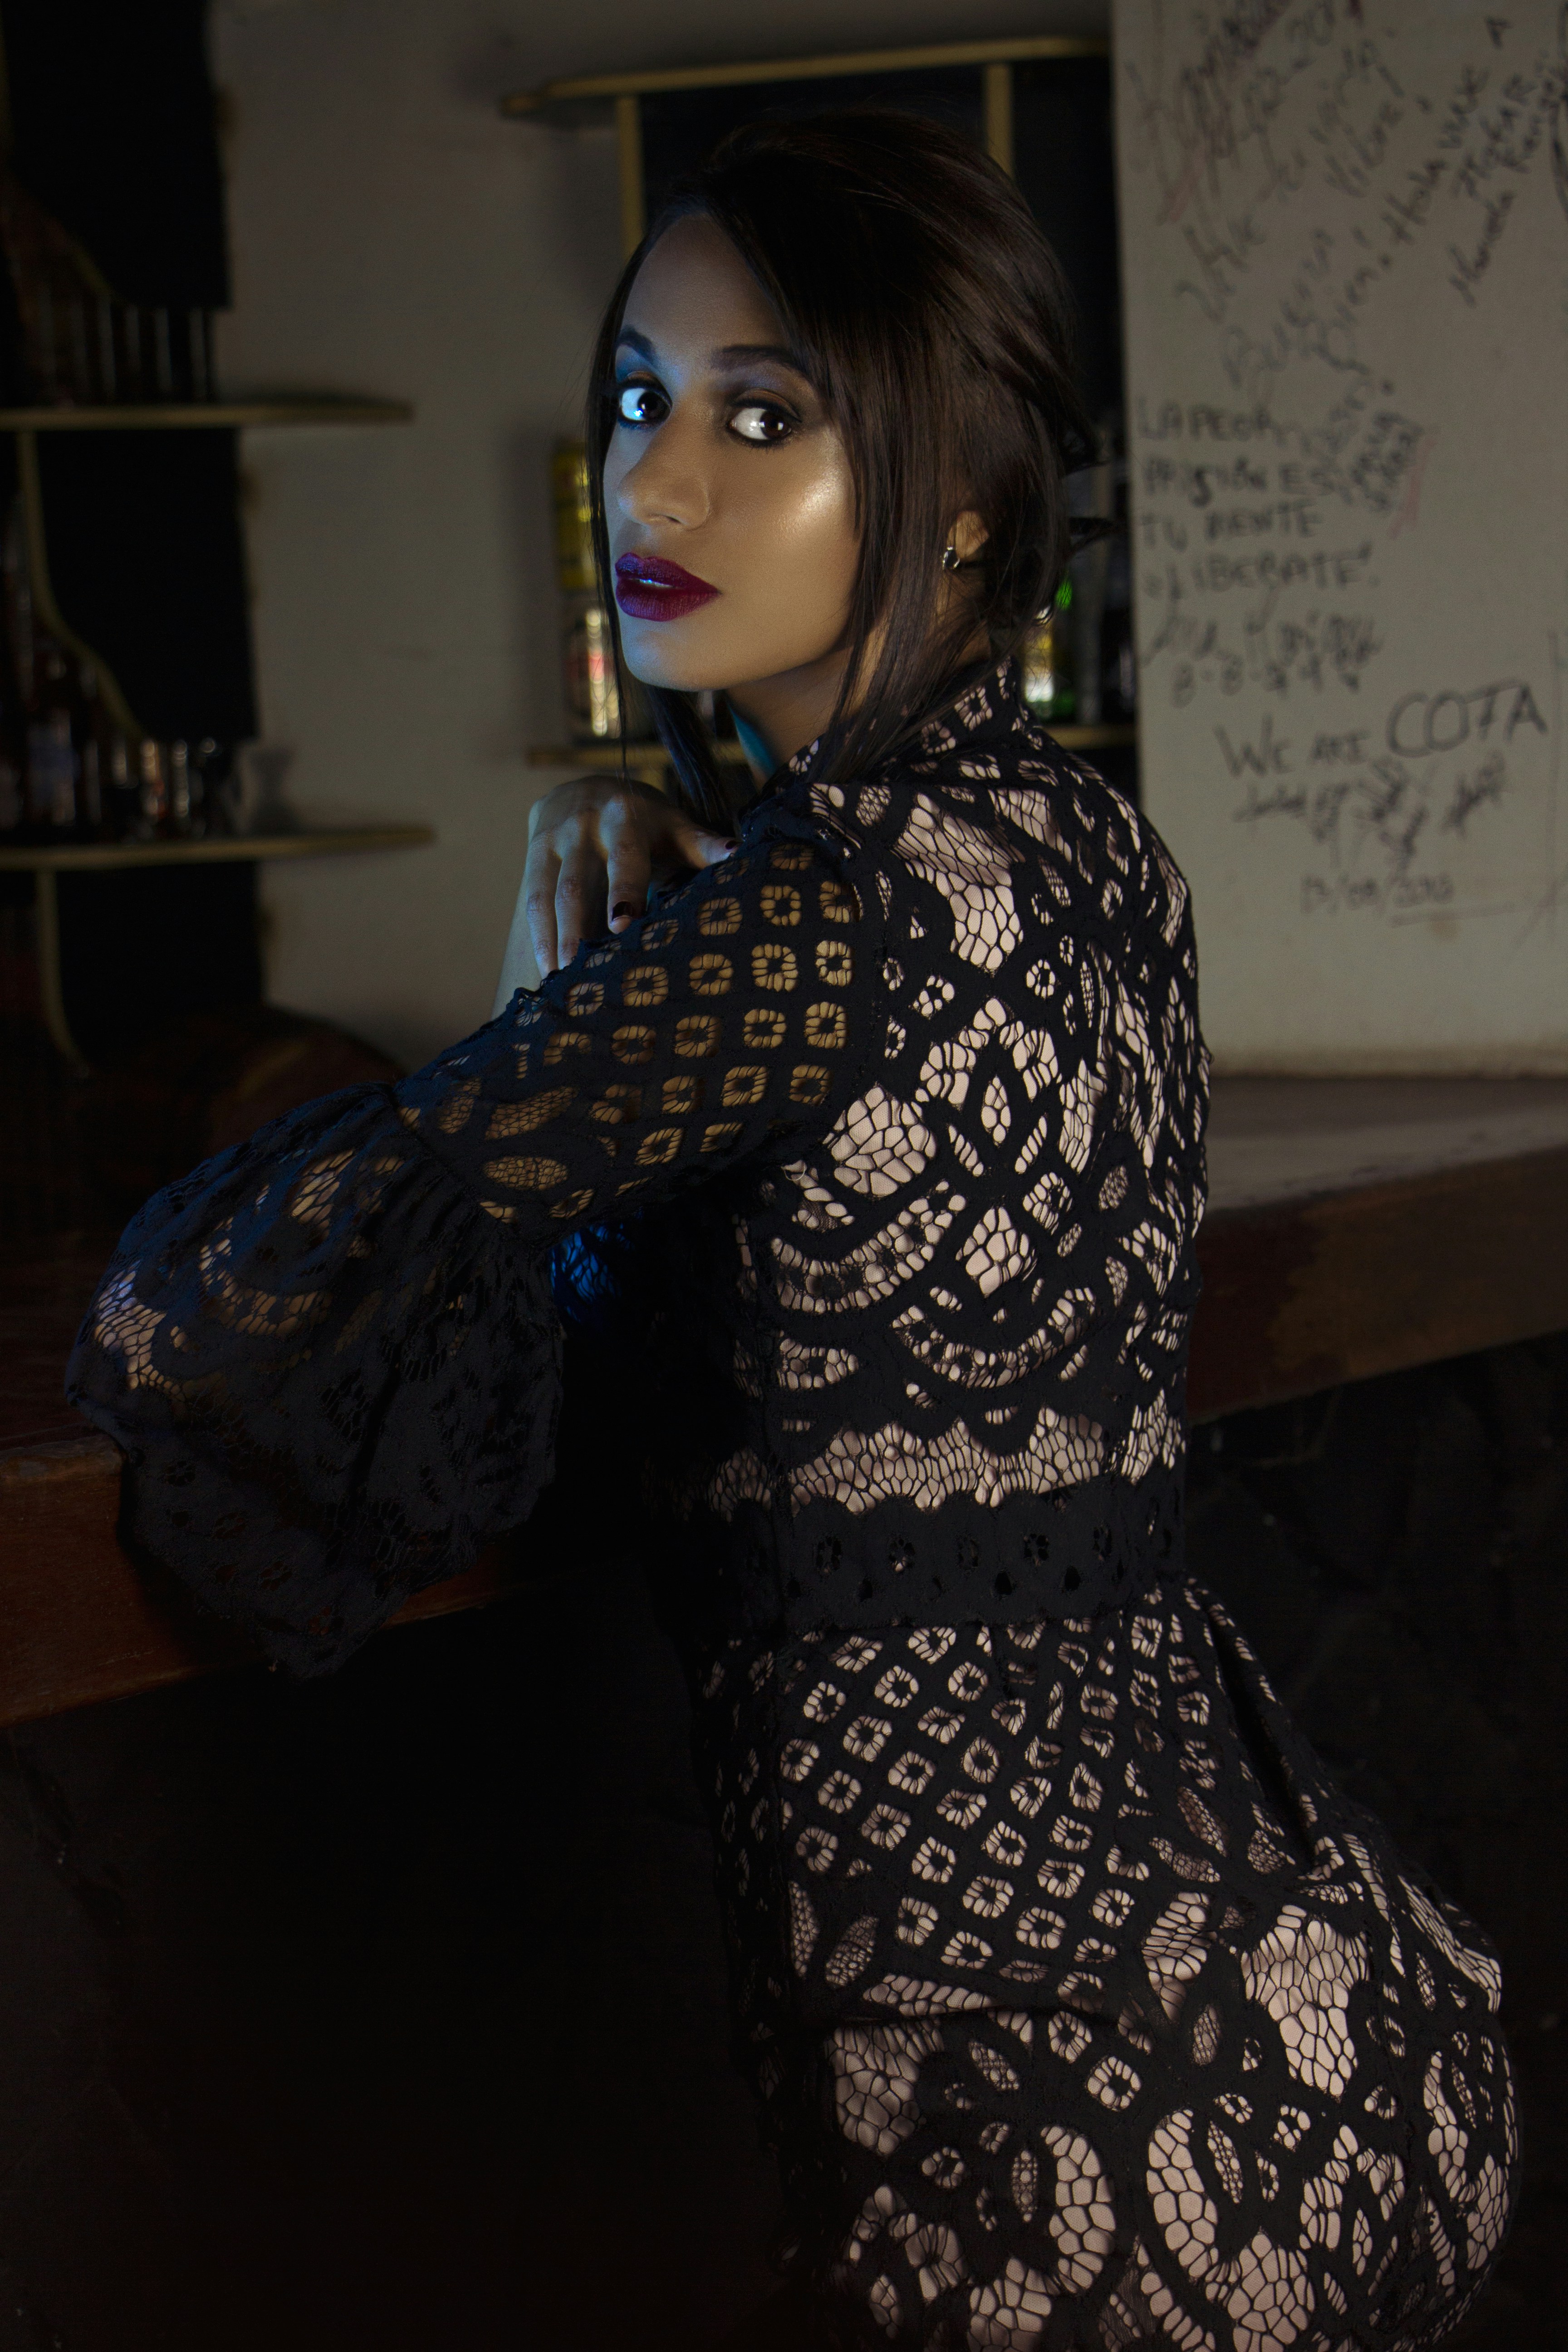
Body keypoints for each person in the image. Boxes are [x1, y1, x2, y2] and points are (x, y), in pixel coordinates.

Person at [69, 113, 1515, 2352]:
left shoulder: (813, 922)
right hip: (1317, 2012)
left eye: (765, 419)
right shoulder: (1087, 852)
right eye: (638, 399)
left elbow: (193, 1318)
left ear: (965, 495)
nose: (655, 489)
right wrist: (615, 1030)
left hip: (1049, 2151)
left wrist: (555, 1027)